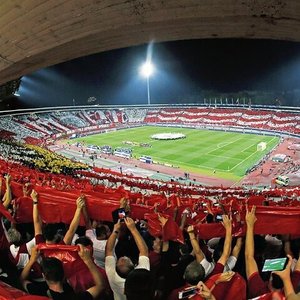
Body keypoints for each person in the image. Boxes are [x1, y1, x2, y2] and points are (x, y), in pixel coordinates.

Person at [20, 244, 105, 299]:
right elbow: (100, 285)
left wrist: (32, 260)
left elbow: (22, 279)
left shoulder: (38, 292)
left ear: (44, 276)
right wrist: (88, 260)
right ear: (64, 275)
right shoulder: (76, 298)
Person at [105, 217, 149, 300]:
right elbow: (144, 251)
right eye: (126, 259)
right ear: (134, 266)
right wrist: (133, 229)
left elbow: (109, 250)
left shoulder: (112, 276)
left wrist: (115, 230)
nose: (124, 256)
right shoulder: (141, 276)